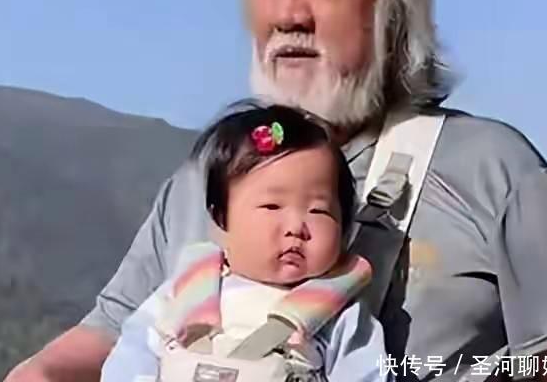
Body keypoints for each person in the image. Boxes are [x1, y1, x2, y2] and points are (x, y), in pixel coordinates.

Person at [5, 0, 547, 382]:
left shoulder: (491, 169)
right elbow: (107, 340)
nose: (289, 13)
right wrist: (39, 373)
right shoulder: (206, 178)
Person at [100, 101, 388, 382]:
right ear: (221, 218)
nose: (295, 228)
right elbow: (131, 358)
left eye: (318, 211)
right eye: (272, 207)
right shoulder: (185, 290)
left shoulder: (338, 314)